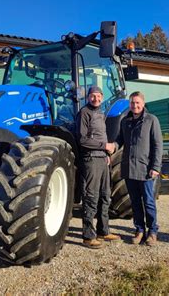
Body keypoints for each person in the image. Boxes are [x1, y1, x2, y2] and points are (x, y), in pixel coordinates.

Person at [114, 91, 163, 246]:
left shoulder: (151, 120)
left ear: (143, 103)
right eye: (132, 103)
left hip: (145, 169)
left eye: (137, 103)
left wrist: (155, 166)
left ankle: (153, 232)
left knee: (148, 201)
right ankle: (139, 230)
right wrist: (111, 147)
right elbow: (119, 141)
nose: (135, 105)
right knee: (135, 202)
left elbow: (157, 145)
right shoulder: (125, 122)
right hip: (129, 170)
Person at [76, 85, 120, 249]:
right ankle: (88, 236)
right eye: (93, 96)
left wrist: (107, 155)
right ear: (88, 97)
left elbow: (103, 137)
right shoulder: (84, 113)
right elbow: (82, 140)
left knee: (105, 196)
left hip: (102, 159)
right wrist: (104, 146)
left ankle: (103, 230)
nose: (96, 99)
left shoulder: (101, 114)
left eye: (98, 96)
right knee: (91, 197)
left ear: (102, 97)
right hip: (91, 159)